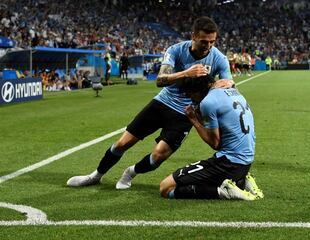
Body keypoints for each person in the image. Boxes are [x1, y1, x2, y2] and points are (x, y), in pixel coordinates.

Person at [66, 16, 234, 189]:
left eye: (212, 42)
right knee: (123, 143)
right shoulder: (176, 50)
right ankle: (96, 175)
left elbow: (228, 85)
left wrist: (226, 84)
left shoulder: (219, 58)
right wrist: (185, 73)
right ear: (193, 36)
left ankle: (130, 172)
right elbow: (160, 80)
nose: (208, 46)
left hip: (187, 113)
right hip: (162, 103)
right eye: (203, 42)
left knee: (158, 156)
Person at [160, 75, 264, 200]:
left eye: (189, 94)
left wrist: (194, 119)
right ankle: (241, 182)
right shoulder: (234, 92)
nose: (190, 99)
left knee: (166, 188)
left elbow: (215, 144)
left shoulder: (208, 102)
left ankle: (225, 192)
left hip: (229, 163)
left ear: (197, 90)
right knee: (196, 181)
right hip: (245, 161)